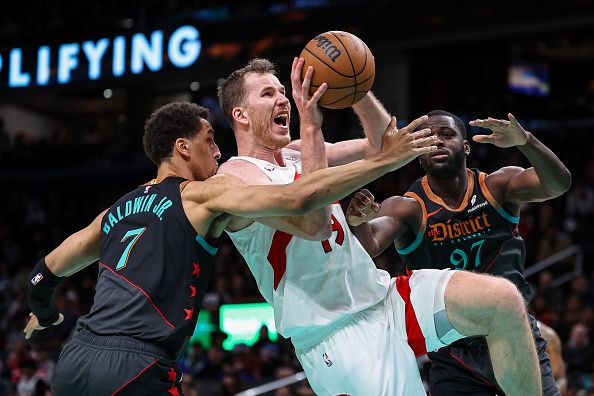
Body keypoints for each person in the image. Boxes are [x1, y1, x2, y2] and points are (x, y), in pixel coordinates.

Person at [22, 99, 438, 395]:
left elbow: (45, 271)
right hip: (137, 365)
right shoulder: (201, 194)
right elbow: (298, 203)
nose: (219, 151)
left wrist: (45, 313)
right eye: (208, 140)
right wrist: (383, 162)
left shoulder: (116, 210)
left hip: (76, 358)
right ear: (183, 148)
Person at [217, 58, 542, 395]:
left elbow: (385, 145)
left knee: (503, 300)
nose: (284, 99)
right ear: (241, 114)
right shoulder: (235, 177)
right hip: (336, 333)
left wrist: (355, 86)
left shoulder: (300, 153)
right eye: (268, 94)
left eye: (283, 91)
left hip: (384, 296)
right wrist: (311, 128)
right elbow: (313, 224)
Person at [346, 110, 571, 395]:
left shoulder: (496, 187)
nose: (437, 142)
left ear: (465, 147)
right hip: (453, 355)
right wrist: (358, 222)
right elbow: (371, 243)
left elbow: (558, 184)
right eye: (428, 138)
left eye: (447, 135)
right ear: (418, 153)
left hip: (516, 336)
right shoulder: (408, 208)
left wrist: (526, 141)